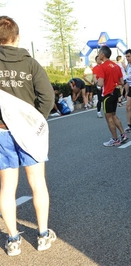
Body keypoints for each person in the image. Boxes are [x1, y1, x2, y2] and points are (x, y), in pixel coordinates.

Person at [0, 15, 56, 256]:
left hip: (2, 133)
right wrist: (35, 120)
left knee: (7, 187)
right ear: (17, 37)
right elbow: (48, 98)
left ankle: (13, 240)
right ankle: (43, 235)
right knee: (37, 183)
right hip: (29, 134)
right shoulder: (31, 64)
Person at [96, 46, 128, 147]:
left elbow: (100, 83)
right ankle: (123, 135)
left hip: (107, 94)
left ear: (103, 54)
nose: (99, 54)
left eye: (99, 52)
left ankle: (115, 139)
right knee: (114, 115)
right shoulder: (116, 66)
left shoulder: (102, 67)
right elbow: (122, 82)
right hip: (116, 92)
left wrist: (96, 82)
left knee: (108, 118)